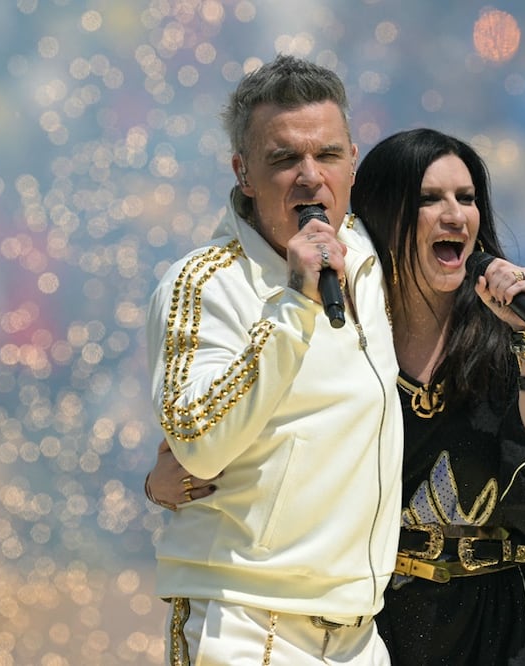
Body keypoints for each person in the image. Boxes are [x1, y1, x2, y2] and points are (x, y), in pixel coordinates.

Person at [149, 128, 525, 664]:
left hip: (501, 626)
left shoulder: (504, 329)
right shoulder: (346, 338)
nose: (454, 214)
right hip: (378, 628)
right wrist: (161, 483)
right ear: (382, 215)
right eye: (429, 199)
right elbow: (271, 439)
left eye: (467, 198)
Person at [145, 55, 404, 664]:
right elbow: (198, 442)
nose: (310, 176)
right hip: (246, 623)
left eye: (328, 155)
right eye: (284, 159)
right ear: (244, 173)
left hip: (359, 634)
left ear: (353, 163)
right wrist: (294, 303)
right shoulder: (205, 282)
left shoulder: (374, 256)